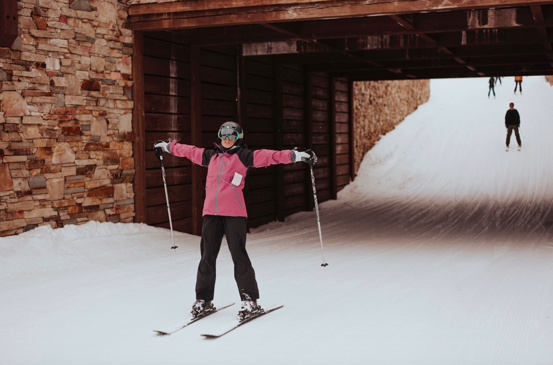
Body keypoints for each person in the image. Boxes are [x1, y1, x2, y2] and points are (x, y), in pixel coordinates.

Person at [153, 122, 317, 321]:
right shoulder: (210, 156)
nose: (227, 138)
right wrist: (167, 146)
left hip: (234, 214)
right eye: (223, 134)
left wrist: (296, 155)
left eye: (231, 135)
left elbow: (269, 156)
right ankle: (203, 300)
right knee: (207, 256)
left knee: (238, 256)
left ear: (238, 137)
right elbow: (189, 151)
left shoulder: (244, 156)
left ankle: (250, 301)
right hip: (211, 214)